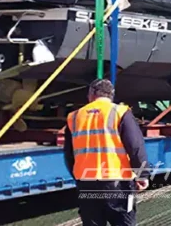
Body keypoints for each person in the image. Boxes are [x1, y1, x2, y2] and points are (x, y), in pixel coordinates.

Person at [64, 79, 149, 226]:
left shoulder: (74, 117)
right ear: (111, 95)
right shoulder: (120, 112)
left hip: (86, 184)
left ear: (91, 94)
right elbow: (135, 147)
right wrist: (142, 174)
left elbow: (69, 154)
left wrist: (78, 177)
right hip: (117, 183)